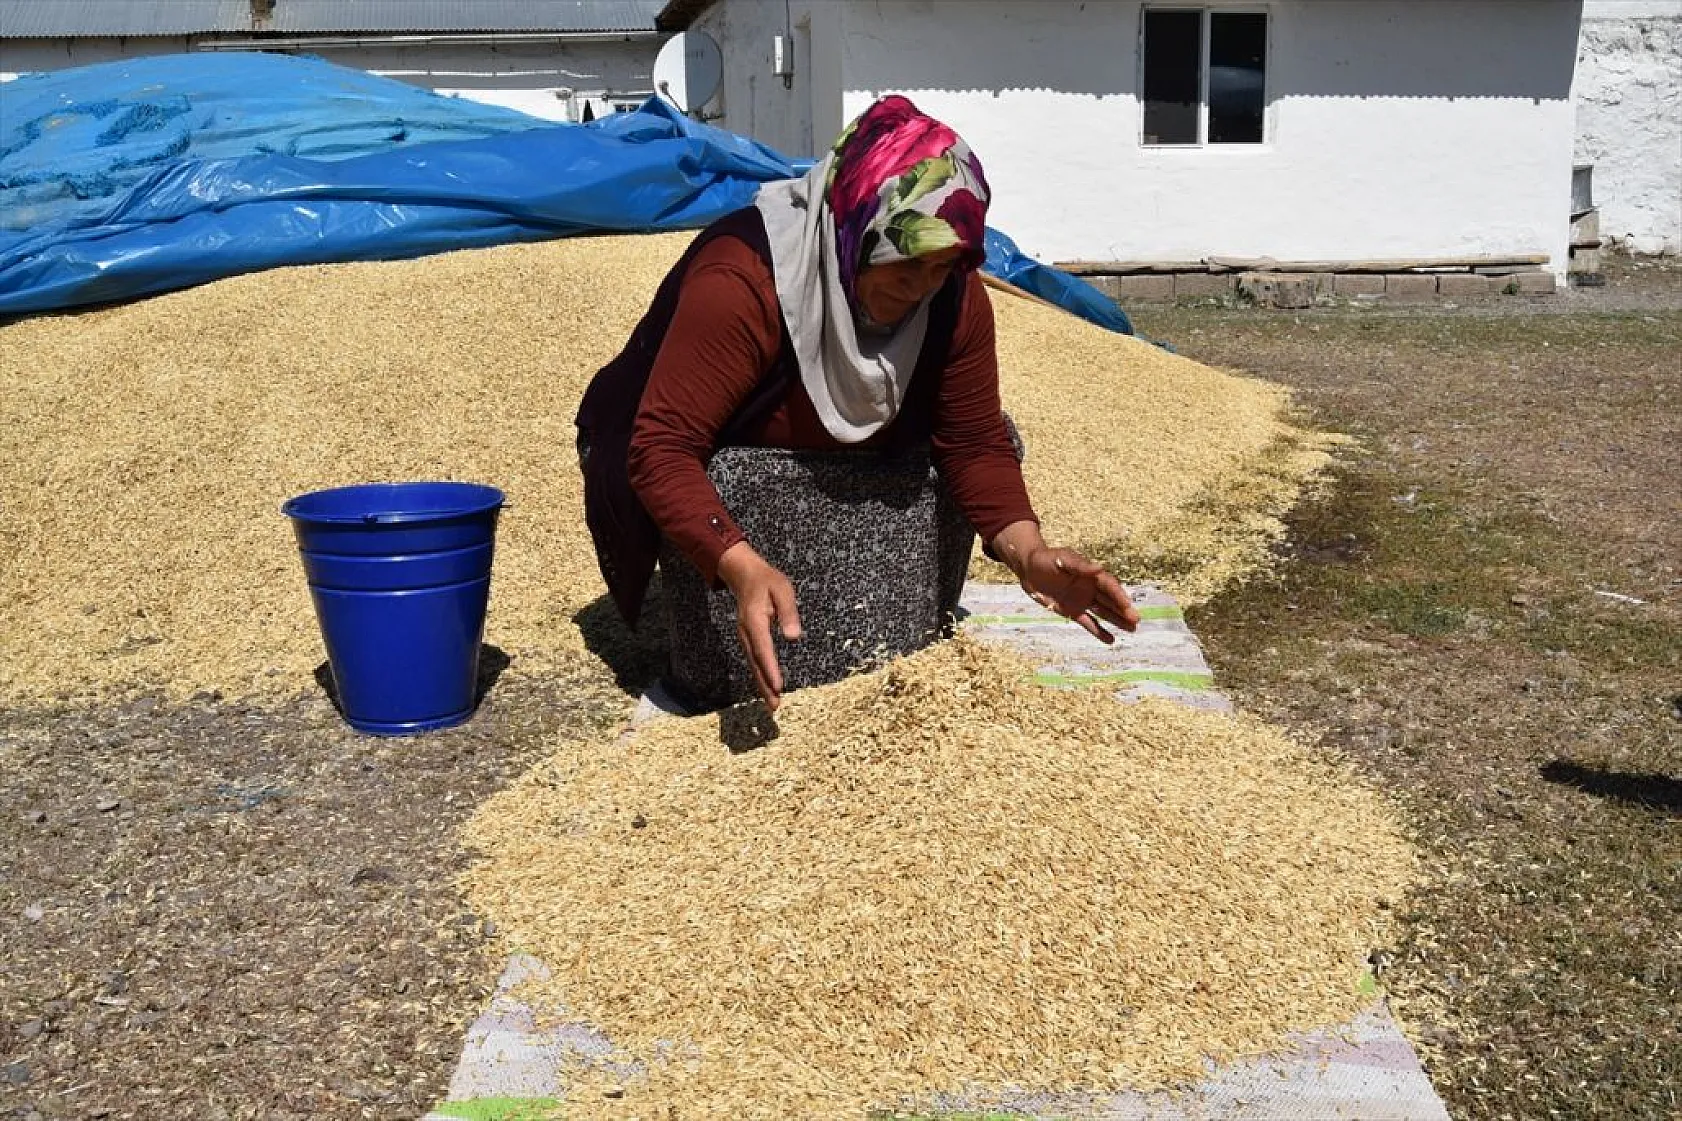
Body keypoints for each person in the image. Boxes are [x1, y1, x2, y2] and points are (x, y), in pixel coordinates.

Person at [577, 96, 1139, 711]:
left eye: (941, 268)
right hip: (740, 485)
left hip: (857, 467)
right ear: (851, 229)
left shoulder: (953, 298)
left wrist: (1030, 554)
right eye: (903, 265)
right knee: (733, 483)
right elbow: (664, 447)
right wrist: (738, 566)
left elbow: (974, 439)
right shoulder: (746, 282)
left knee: (989, 441)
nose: (921, 288)